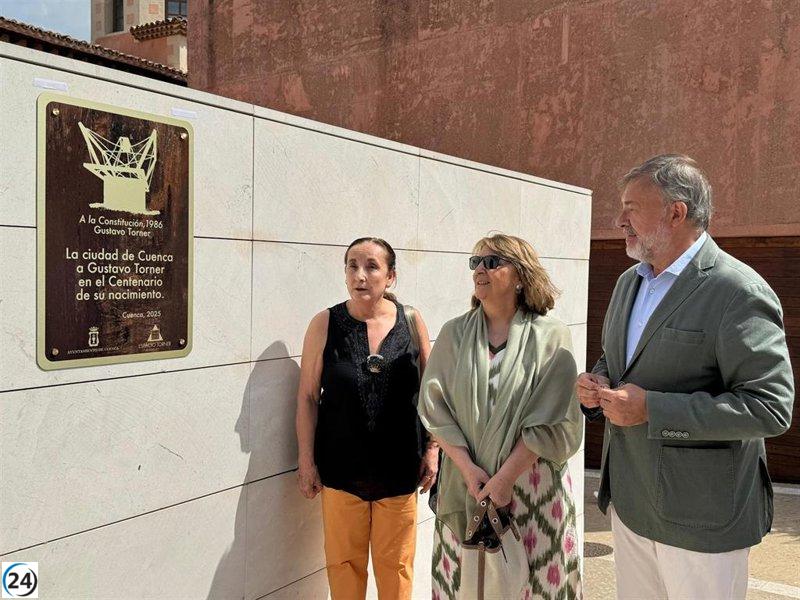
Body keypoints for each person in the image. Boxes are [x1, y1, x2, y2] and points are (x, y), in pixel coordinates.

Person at [577, 154, 794, 599]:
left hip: (703, 519)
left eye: (631, 208)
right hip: (631, 507)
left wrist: (652, 409)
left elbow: (770, 408)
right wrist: (598, 385)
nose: (619, 220)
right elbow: (619, 361)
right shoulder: (627, 283)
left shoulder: (737, 290)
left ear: (675, 212)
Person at [418, 233, 583, 599]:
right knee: (470, 586)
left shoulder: (550, 335)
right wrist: (467, 469)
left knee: (534, 586)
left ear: (520, 276)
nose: (480, 269)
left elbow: (553, 416)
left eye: (492, 262)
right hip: (466, 489)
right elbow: (434, 408)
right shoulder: (454, 334)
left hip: (531, 488)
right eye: (475, 262)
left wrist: (506, 478)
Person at [295, 237, 438, 600]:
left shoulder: (412, 321)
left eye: (372, 266)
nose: (361, 275)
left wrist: (433, 449)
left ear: (390, 276)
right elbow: (309, 397)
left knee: (397, 572)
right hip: (341, 473)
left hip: (400, 471)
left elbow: (435, 395)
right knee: (343, 569)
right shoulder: (325, 323)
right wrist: (306, 460)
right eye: (352, 265)